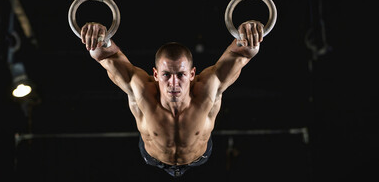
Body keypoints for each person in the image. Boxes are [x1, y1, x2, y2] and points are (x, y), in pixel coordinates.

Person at [80, 20, 264, 177]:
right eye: (166, 74)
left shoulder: (209, 87)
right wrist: (98, 37)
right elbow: (106, 55)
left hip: (199, 156)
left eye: (181, 74)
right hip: (153, 157)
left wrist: (249, 34)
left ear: (192, 73)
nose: (174, 83)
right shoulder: (141, 89)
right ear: (156, 74)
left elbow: (242, 52)